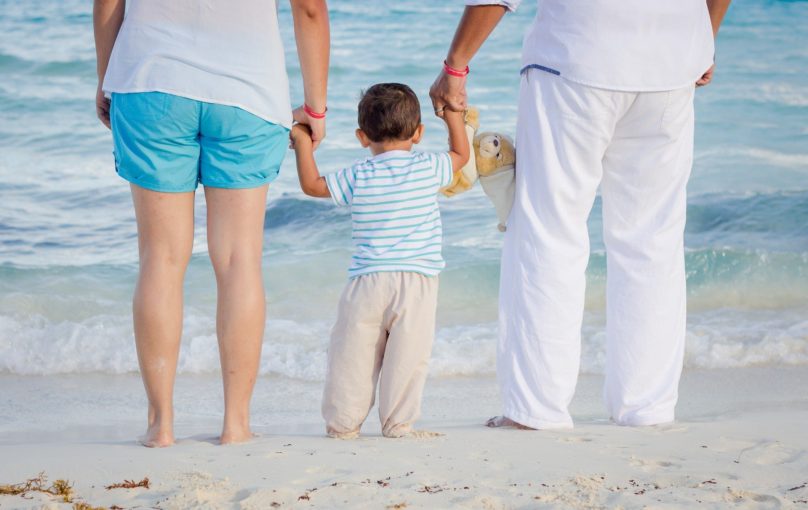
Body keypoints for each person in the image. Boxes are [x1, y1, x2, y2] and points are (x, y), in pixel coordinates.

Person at [430, 0, 731, 429]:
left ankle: (537, 409)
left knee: (549, 232)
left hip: (577, 55)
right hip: (673, 60)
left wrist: (456, 66)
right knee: (652, 239)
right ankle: (647, 407)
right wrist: (705, 36)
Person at [93, 0, 329, 447]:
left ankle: (161, 425)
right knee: (240, 260)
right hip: (249, 91)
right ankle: (235, 424)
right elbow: (311, 9)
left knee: (160, 259)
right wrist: (315, 107)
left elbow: (109, 2)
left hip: (150, 81)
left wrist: (107, 75)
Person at [290, 83, 469, 438]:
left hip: (366, 281)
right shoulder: (429, 167)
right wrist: (453, 116)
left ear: (361, 137)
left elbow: (312, 185)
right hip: (417, 281)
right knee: (408, 356)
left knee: (351, 356)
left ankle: (343, 425)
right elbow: (461, 156)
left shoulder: (357, 175)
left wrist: (302, 140)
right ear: (418, 134)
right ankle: (398, 424)